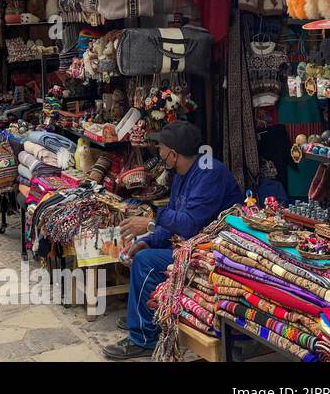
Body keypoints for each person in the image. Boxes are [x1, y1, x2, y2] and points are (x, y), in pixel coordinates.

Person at [103, 120, 243, 360]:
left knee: (145, 263)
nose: (159, 153)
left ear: (173, 154)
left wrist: (150, 221)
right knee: (145, 252)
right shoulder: (180, 173)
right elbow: (175, 219)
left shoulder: (209, 173)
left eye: (161, 149)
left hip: (214, 251)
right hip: (193, 243)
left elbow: (189, 223)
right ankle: (142, 316)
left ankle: (144, 338)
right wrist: (151, 239)